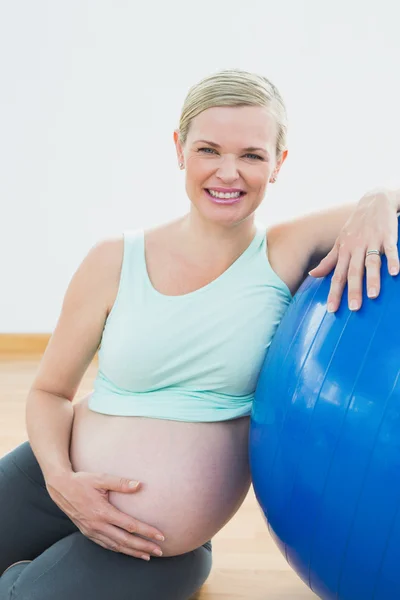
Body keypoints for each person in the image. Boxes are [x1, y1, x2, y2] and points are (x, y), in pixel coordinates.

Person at [0, 68, 399, 600]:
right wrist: (63, 483)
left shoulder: (282, 253)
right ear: (179, 150)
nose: (228, 172)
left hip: (154, 542)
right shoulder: (114, 260)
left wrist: (379, 196)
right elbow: (49, 392)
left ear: (279, 163)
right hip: (53, 477)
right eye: (209, 149)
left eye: (252, 155)